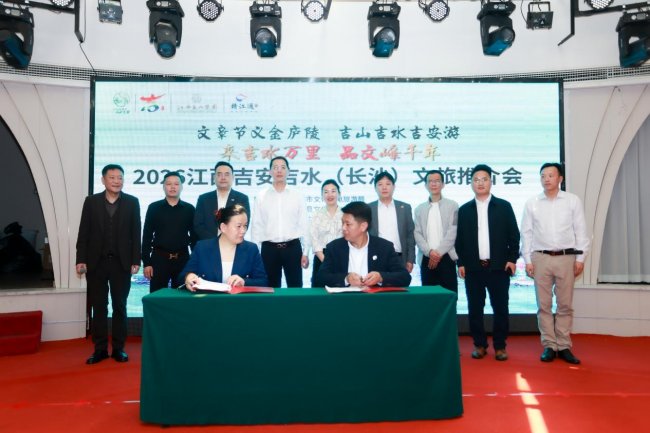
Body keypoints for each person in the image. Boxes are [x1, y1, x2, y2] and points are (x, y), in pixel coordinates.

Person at [521, 162, 590, 365]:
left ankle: (564, 345)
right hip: (540, 257)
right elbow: (526, 233)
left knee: (565, 304)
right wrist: (527, 260)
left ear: (560, 178)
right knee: (543, 305)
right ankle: (549, 345)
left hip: (566, 257)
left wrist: (580, 258)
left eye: (551, 175)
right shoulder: (532, 203)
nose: (546, 179)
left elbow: (581, 231)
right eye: (543, 176)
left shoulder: (572, 201)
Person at [76, 164, 141, 365]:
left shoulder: (132, 202)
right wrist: (80, 259)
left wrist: (135, 259)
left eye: (120, 177)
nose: (116, 181)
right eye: (112, 177)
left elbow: (135, 233)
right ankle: (100, 349)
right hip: (96, 263)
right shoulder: (91, 202)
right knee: (99, 306)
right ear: (103, 180)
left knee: (120, 306)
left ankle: (119, 348)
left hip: (121, 264)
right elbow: (83, 232)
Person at [455, 164, 520, 362]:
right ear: (471, 183)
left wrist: (512, 259)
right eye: (476, 180)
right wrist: (461, 263)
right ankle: (480, 344)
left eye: (484, 179)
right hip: (473, 268)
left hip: (499, 267)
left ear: (491, 181)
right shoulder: (464, 210)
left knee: (500, 308)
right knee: (475, 308)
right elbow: (460, 240)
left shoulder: (504, 206)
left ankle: (500, 346)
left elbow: (514, 236)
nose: (480, 183)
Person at [317, 201, 411, 288]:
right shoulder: (334, 248)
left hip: (374, 299)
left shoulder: (384, 247)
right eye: (343, 223)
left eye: (348, 224)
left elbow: (405, 277)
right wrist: (346, 279)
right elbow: (320, 278)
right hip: (344, 299)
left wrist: (381, 277)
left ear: (363, 226)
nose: (343, 228)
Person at [251, 156, 309, 288]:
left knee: (296, 288)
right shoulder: (261, 196)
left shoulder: (297, 195)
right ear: (270, 172)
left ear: (288, 171)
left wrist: (306, 252)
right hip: (269, 249)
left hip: (292, 248)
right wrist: (255, 253)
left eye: (283, 167)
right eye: (275, 167)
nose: (279, 171)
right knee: (269, 289)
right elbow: (256, 226)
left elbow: (304, 224)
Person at [182, 204, 268, 289]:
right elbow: (182, 277)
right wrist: (188, 277)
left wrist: (244, 282)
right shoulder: (202, 248)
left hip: (239, 298)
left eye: (245, 226)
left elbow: (263, 282)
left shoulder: (251, 249)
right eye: (238, 226)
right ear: (223, 227)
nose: (243, 231)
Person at [141, 171, 196, 293]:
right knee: (157, 296)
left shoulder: (189, 209)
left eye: (176, 184)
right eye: (169, 184)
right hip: (159, 259)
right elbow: (147, 236)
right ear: (163, 186)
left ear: (181, 187)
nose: (172, 187)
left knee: (182, 296)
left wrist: (194, 262)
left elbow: (194, 238)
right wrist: (147, 263)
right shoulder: (154, 208)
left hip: (182, 259)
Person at [413, 170, 459, 292]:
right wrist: (430, 253)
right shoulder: (419, 209)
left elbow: (453, 231)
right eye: (430, 181)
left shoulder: (453, 206)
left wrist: (438, 253)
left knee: (449, 295)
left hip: (447, 257)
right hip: (427, 258)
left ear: (443, 184)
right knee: (429, 297)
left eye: (437, 181)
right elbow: (417, 233)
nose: (433, 184)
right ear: (425, 185)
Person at [368, 171, 416, 273]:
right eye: (380, 184)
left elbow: (410, 235)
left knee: (400, 283)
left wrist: (410, 259)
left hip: (399, 258)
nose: (384, 187)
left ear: (394, 187)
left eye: (388, 184)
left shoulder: (405, 207)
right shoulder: (369, 208)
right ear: (375, 188)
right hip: (375, 258)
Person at [194, 161, 250, 240]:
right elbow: (198, 225)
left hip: (233, 243)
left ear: (233, 177)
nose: (223, 178)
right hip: (208, 243)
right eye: (219, 174)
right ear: (214, 177)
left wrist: (228, 241)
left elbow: (244, 224)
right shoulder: (203, 199)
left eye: (227, 174)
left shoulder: (242, 198)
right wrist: (215, 242)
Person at [310, 179, 343, 287]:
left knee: (340, 289)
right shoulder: (317, 215)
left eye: (333, 191)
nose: (330, 195)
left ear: (339, 193)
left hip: (342, 257)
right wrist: (325, 261)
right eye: (326, 192)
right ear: (322, 195)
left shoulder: (346, 214)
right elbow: (314, 239)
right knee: (319, 291)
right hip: (321, 257)